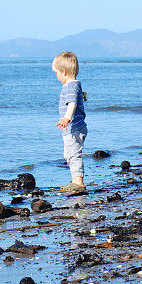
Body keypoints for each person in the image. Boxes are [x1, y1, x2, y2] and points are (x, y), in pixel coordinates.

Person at [52, 51, 87, 193]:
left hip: (74, 127)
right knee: (70, 153)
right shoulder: (74, 85)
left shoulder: (71, 86)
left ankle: (79, 182)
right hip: (74, 127)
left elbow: (71, 103)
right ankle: (75, 179)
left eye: (57, 73)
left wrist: (67, 117)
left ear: (64, 72)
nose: (57, 77)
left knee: (72, 154)